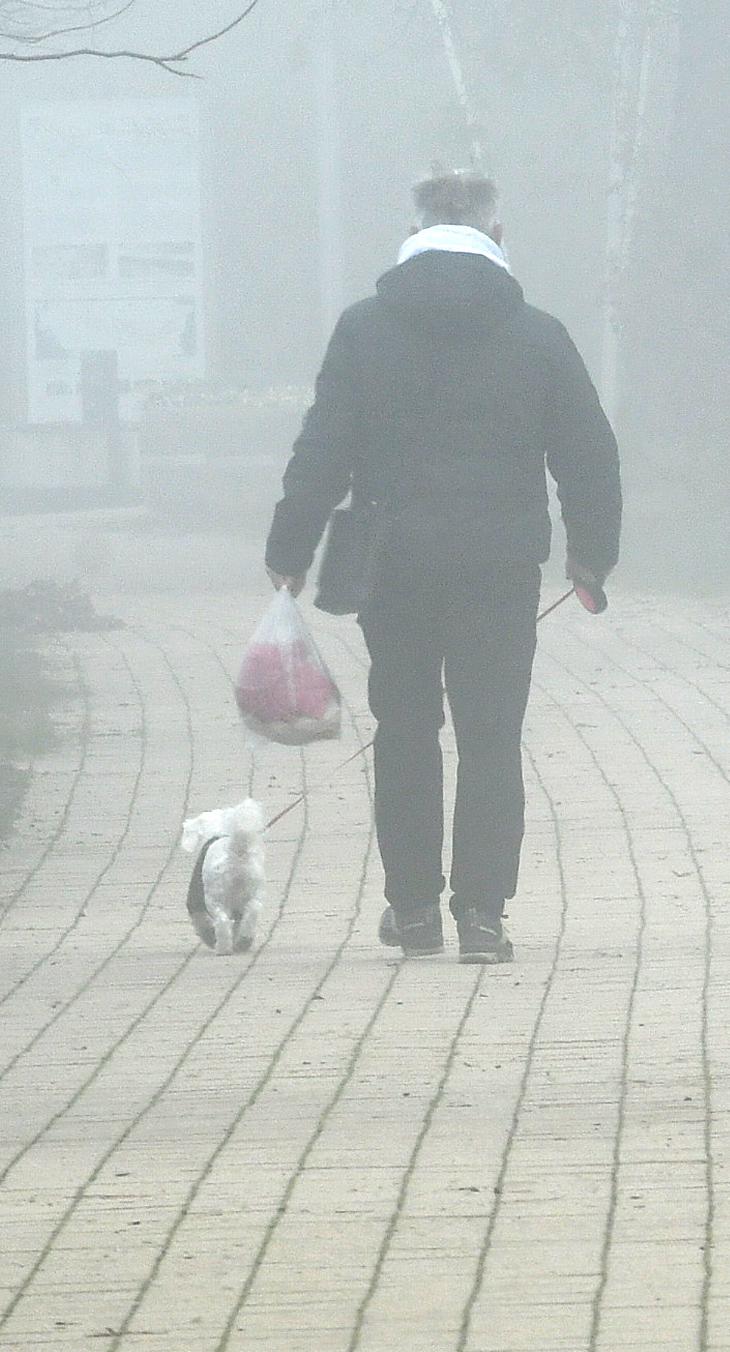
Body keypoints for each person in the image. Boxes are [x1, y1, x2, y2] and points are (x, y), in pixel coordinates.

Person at [265, 169, 621, 964]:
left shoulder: (364, 330)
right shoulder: (538, 335)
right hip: (499, 564)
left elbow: (322, 449)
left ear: (412, 233)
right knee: (491, 734)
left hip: (394, 564)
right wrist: (591, 556)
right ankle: (484, 917)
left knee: (405, 730)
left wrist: (290, 551)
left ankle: (415, 908)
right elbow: (589, 453)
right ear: (497, 238)